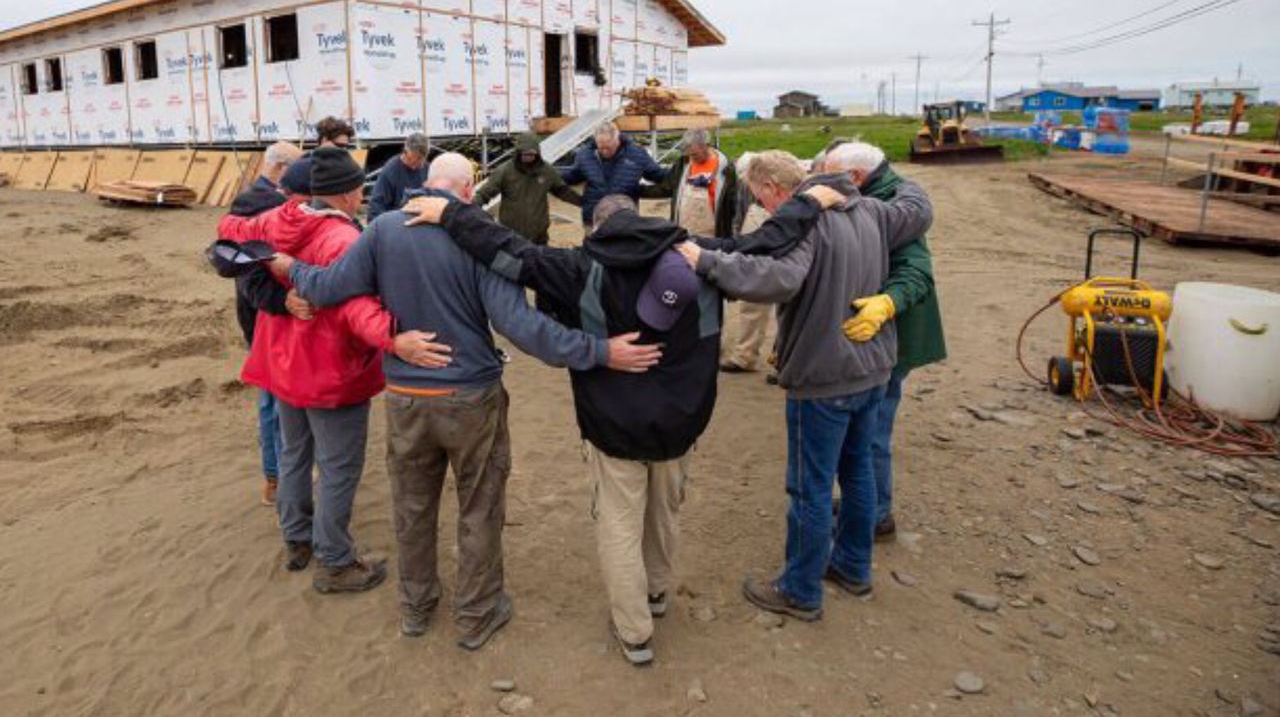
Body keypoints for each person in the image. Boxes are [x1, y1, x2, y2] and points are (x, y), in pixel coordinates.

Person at [399, 185, 827, 666]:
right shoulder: (697, 254)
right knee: (665, 511)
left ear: (594, 227)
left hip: (611, 422)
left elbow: (508, 251)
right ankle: (658, 592)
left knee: (620, 524)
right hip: (682, 420)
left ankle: (634, 631)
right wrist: (811, 202)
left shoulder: (577, 267)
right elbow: (765, 240)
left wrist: (452, 212)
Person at [277, 153, 663, 652]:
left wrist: (291, 271)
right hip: (470, 397)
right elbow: (521, 326)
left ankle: (416, 608)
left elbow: (330, 287)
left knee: (412, 507)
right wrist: (599, 351)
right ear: (467, 189)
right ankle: (477, 613)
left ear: (428, 183)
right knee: (479, 506)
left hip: (406, 397)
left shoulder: (383, 229)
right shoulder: (474, 235)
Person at [676, 150, 932, 623]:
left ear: (775, 188)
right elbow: (918, 208)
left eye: (761, 198)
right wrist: (896, 175)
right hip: (873, 369)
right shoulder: (873, 211)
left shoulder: (808, 227)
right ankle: (854, 567)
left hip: (824, 376)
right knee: (857, 474)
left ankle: (800, 590)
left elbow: (775, 278)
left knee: (810, 488)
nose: (766, 209)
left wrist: (705, 261)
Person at [216, 147, 450, 594]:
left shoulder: (279, 218)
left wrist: (274, 280)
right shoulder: (342, 240)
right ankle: (336, 561)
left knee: (294, 454)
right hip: (327, 368)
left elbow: (230, 229)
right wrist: (393, 338)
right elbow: (354, 307)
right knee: (339, 466)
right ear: (349, 194)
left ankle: (297, 539)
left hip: (284, 362)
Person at [821, 142, 946, 540]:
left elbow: (916, 272)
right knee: (865, 428)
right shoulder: (883, 193)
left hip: (889, 336)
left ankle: (877, 515)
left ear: (856, 177)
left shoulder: (889, 205)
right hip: (874, 333)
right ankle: (868, 501)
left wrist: (888, 303)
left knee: (872, 430)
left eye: (832, 174)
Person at [228, 141, 302, 506]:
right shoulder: (255, 205)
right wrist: (282, 302)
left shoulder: (261, 200)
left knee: (279, 401)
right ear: (281, 169)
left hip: (271, 317)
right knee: (274, 404)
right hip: (266, 319)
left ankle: (282, 476)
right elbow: (247, 273)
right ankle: (276, 480)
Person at [720, 151, 776, 375]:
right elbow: (737, 213)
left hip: (767, 229)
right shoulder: (744, 185)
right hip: (751, 231)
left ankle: (782, 358)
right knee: (753, 297)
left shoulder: (779, 192)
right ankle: (745, 355)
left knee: (791, 302)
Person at [474, 131, 582, 244]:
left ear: (537, 153)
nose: (529, 157)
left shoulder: (546, 171)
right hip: (511, 237)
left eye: (532, 154)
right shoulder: (505, 171)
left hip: (539, 237)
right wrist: (471, 207)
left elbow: (563, 191)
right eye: (525, 154)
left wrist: (584, 202)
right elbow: (484, 193)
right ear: (518, 153)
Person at [559, 121, 668, 226]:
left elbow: (657, 174)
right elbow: (572, 176)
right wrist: (551, 175)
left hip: (626, 220)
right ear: (596, 141)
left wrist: (678, 173)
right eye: (601, 148)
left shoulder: (637, 154)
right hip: (594, 220)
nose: (605, 151)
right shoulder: (585, 155)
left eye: (609, 148)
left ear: (618, 140)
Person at [641, 128, 739, 240]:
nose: (692, 158)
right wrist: (639, 190)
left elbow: (734, 206)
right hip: (684, 233)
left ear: (707, 146)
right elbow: (666, 188)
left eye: (695, 155)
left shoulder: (726, 169)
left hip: (714, 237)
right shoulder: (683, 165)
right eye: (689, 154)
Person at [365, 132, 430, 221]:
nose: (415, 166)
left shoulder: (425, 167)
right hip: (396, 222)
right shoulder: (390, 171)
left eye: (420, 162)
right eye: (412, 161)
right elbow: (376, 208)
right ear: (405, 152)